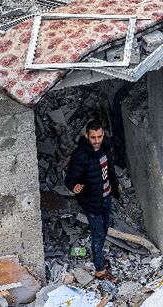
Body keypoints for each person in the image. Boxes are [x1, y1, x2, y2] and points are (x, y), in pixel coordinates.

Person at [65, 120, 121, 282]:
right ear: (86, 136)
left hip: (106, 196)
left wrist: (116, 185)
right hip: (91, 201)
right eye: (93, 138)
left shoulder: (105, 148)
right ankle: (99, 270)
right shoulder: (80, 155)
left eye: (99, 137)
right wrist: (74, 186)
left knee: (103, 230)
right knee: (98, 234)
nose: (96, 141)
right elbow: (70, 178)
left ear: (103, 135)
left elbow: (109, 170)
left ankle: (99, 258)